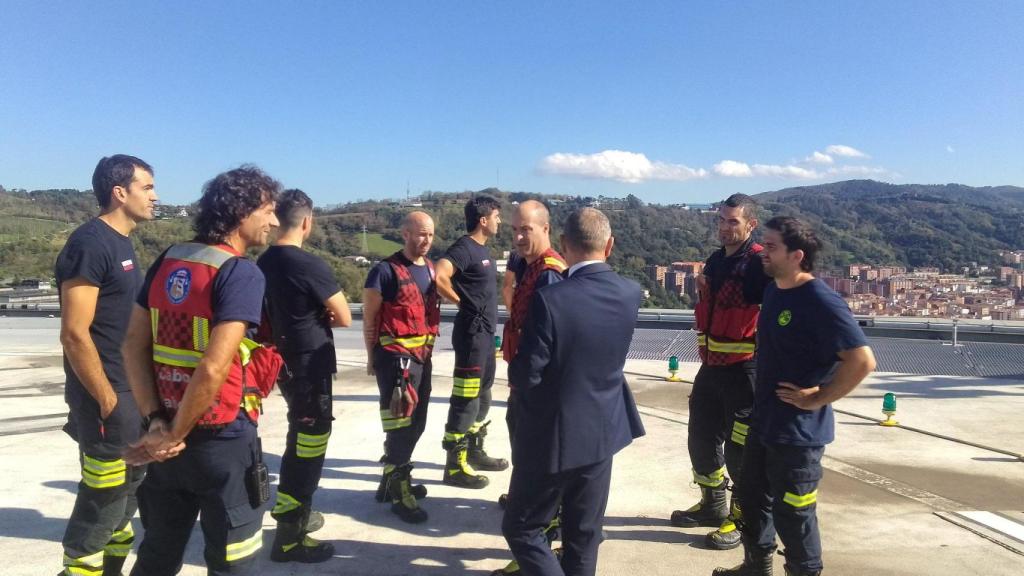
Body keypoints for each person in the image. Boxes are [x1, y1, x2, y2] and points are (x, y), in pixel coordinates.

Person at [121, 166, 282, 575]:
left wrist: (157, 423)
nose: (274, 221)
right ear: (242, 211)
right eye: (268, 210)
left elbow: (133, 345)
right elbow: (213, 367)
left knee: (158, 552)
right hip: (220, 441)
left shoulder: (168, 259)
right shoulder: (240, 271)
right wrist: (175, 435)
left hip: (165, 436)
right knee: (233, 559)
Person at [713, 217, 876, 576]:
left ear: (797, 255)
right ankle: (757, 566)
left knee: (795, 514)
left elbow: (861, 360)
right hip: (765, 423)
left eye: (770, 247)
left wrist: (818, 397)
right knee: (752, 498)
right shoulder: (774, 290)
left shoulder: (819, 300)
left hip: (798, 434)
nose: (761, 254)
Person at [503, 207, 646, 576]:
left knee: (522, 527)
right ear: (609, 245)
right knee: (583, 535)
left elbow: (527, 373)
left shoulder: (551, 299)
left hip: (553, 434)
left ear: (563, 244)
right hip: (604, 429)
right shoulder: (631, 293)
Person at [55, 155, 157, 576]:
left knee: (129, 491)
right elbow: (74, 333)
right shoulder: (90, 244)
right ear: (120, 192)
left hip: (130, 393)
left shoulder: (122, 242)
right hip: (107, 398)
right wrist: (108, 400)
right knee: (103, 495)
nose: (155, 196)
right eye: (147, 187)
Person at [672, 194, 771, 551]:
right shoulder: (716, 262)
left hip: (746, 372)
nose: (725, 228)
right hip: (712, 369)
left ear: (750, 224)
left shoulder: (759, 263)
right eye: (721, 220)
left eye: (733, 222)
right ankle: (713, 504)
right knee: (700, 438)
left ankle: (741, 517)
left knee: (740, 451)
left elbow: (775, 312)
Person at [257, 189, 351, 562]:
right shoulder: (308, 265)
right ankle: (290, 537)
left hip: (283, 364)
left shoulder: (263, 262)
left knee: (300, 439)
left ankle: (295, 516)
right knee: (308, 448)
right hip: (311, 366)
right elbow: (343, 315)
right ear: (307, 222)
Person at [492, 199, 566, 575]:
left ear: (545, 229)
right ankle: (535, 551)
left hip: (537, 396)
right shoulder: (530, 267)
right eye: (515, 230)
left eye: (527, 229)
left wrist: (529, 392)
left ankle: (537, 554)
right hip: (523, 389)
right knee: (528, 469)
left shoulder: (549, 274)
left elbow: (547, 345)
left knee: (536, 478)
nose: (519, 237)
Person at [362, 211, 439, 523]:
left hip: (422, 357)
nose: (425, 241)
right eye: (420, 234)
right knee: (400, 424)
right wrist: (371, 358)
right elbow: (369, 320)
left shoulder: (431, 269)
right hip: (396, 361)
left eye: (430, 236)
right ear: (404, 233)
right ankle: (398, 490)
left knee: (416, 423)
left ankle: (390, 482)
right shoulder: (384, 272)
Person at [434, 195, 506, 489]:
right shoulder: (464, 247)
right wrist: (462, 304)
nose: (500, 221)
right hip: (471, 336)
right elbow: (439, 275)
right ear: (483, 219)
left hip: (486, 336)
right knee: (466, 400)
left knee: (484, 395)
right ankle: (454, 466)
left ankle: (474, 452)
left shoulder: (483, 250)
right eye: (497, 216)